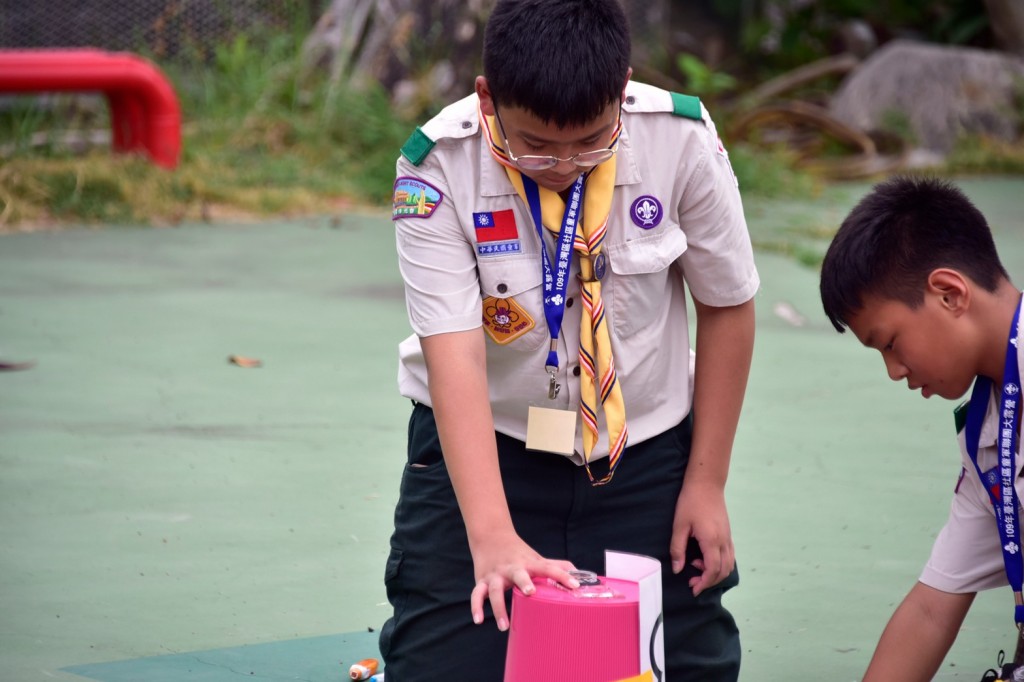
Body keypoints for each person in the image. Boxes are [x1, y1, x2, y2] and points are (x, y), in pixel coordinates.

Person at [382, 0, 759, 679]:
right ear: (488, 98)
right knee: (444, 664)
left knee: (686, 666)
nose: (562, 165)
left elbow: (727, 305)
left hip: (644, 458)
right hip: (488, 455)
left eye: (591, 141)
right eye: (533, 144)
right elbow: (455, 356)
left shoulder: (680, 138)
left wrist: (707, 484)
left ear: (622, 90)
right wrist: (492, 537)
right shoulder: (438, 167)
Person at [819, 176, 1023, 681]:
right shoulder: (987, 437)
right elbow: (932, 609)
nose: (894, 371)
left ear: (950, 294)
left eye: (890, 343)